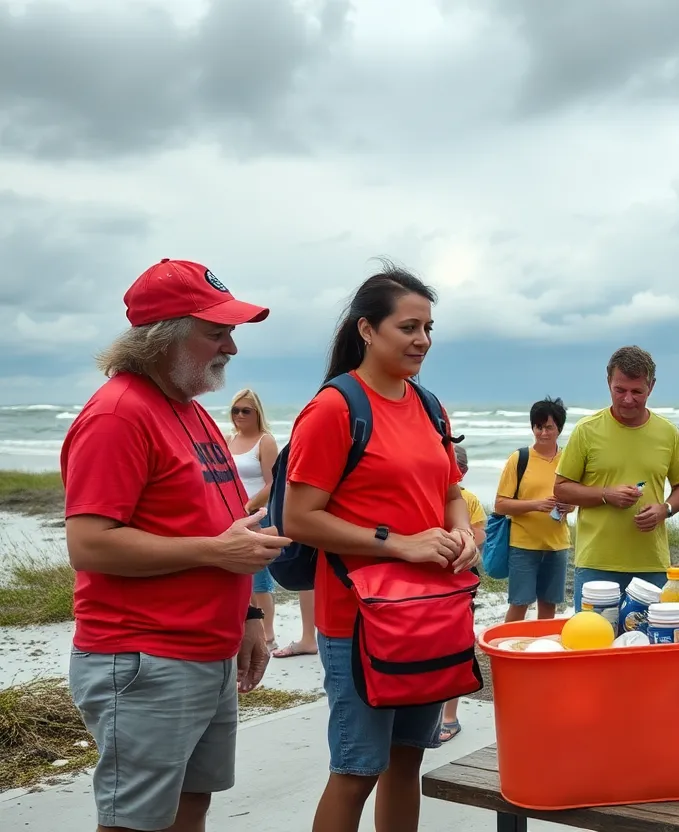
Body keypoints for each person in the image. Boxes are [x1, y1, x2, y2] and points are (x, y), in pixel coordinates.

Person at [61, 259, 287, 832]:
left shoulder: (189, 411)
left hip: (205, 651)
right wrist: (213, 553)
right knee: (136, 820)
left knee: (193, 802)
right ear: (162, 337)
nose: (231, 347)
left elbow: (229, 520)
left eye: (231, 332)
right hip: (144, 656)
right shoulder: (118, 414)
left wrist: (251, 618)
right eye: (216, 332)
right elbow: (91, 544)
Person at [281, 264, 478, 832]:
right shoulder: (335, 408)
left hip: (427, 612)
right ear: (367, 330)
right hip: (357, 620)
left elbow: (448, 492)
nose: (423, 341)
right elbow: (299, 519)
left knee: (406, 761)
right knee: (356, 770)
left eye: (429, 328)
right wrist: (402, 544)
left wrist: (461, 531)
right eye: (409, 327)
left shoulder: (429, 405)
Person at [554, 346, 679, 609]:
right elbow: (561, 489)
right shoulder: (586, 430)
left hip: (651, 563)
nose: (628, 399)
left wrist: (665, 509)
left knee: (647, 644)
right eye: (620, 390)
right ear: (608, 382)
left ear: (651, 387)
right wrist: (607, 494)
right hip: (596, 563)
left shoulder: (668, 433)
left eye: (637, 391)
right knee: (594, 644)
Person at [493, 396, 573, 623]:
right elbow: (500, 504)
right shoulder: (520, 458)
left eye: (549, 427)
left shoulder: (568, 460)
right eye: (539, 427)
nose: (544, 433)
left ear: (559, 428)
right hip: (524, 545)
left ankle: (542, 651)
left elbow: (575, 500)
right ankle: (509, 650)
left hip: (557, 544)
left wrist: (569, 506)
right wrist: (536, 505)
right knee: (519, 603)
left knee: (548, 605)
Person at [439, 443, 487, 743]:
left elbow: (481, 532)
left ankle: (450, 715)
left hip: (460, 577)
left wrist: (462, 537)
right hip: (430, 580)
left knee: (456, 644)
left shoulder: (466, 500)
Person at [227, 387, 280, 649]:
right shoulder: (229, 440)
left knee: (260, 581)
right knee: (239, 578)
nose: (239, 415)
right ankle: (244, 628)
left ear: (256, 412)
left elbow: (273, 483)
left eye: (245, 410)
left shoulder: (265, 441)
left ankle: (268, 633)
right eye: (235, 410)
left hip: (257, 516)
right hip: (232, 518)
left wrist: (249, 506)